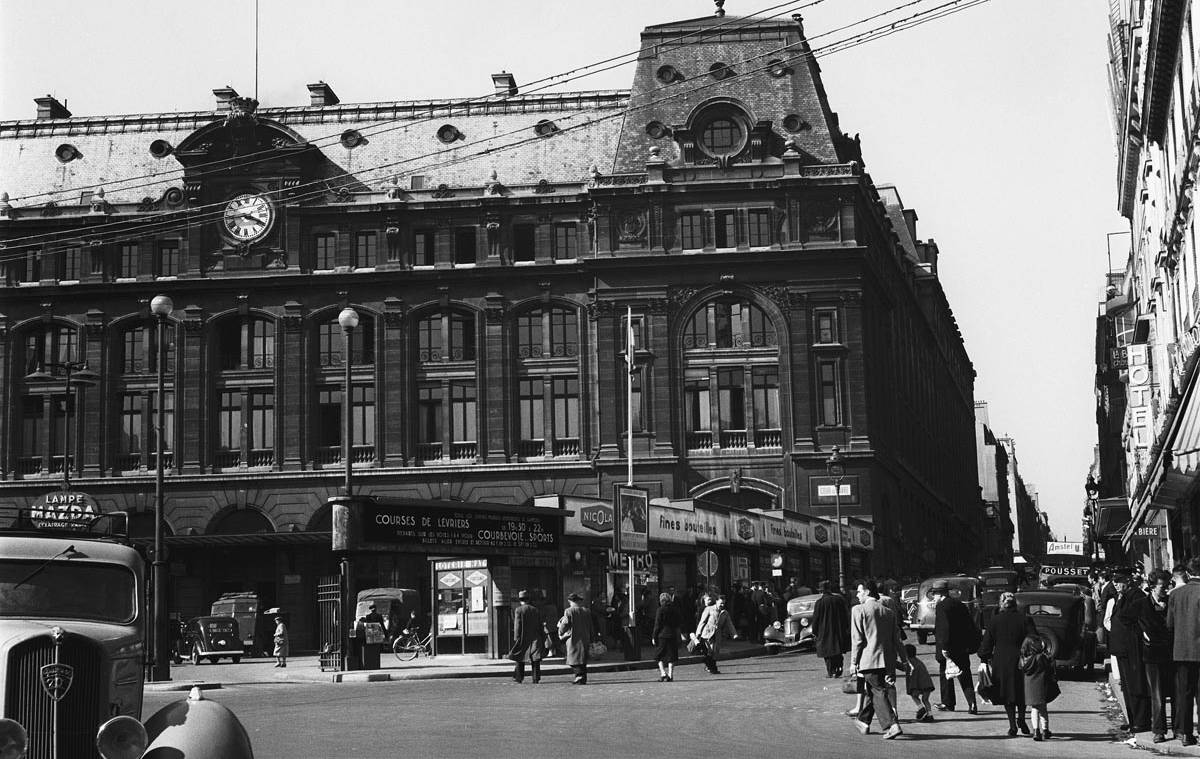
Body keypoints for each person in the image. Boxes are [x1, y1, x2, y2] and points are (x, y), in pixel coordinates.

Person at [849, 580, 908, 740]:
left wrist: (853, 662)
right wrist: (905, 660)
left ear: (867, 592)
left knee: (877, 691)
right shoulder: (888, 612)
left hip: (869, 659)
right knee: (874, 690)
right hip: (886, 660)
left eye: (860, 591)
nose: (857, 594)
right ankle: (863, 721)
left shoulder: (858, 610)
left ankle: (892, 725)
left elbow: (858, 640)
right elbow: (897, 640)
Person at [978, 591, 1037, 736]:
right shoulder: (1025, 619)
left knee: (1007, 692)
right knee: (1021, 691)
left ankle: (1012, 726)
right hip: (1022, 660)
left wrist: (984, 658)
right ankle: (1021, 718)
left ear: (1001, 604)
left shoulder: (995, 621)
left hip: (1002, 661)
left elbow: (986, 644)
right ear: (1015, 603)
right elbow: (1034, 639)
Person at [1132, 569, 1174, 742]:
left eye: (1167, 586)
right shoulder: (1142, 604)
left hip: (1171, 653)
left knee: (1175, 694)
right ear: (1152, 587)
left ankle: (1179, 729)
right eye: (1162, 586)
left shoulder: (1172, 601)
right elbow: (1125, 619)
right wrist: (1142, 634)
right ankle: (1159, 730)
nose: (1165, 590)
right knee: (1157, 694)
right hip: (1152, 655)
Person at [931, 580, 979, 714]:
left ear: (939, 594)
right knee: (965, 675)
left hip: (947, 647)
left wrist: (944, 646)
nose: (934, 598)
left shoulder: (941, 606)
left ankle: (948, 703)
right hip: (961, 647)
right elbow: (969, 625)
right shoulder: (959, 604)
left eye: (934, 594)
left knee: (945, 675)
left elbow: (944, 628)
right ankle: (972, 703)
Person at [1111, 572, 1150, 733]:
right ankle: (1132, 719)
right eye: (1115, 583)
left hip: (1131, 647)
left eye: (1119, 582)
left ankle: (1141, 721)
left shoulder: (1136, 596)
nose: (1117, 586)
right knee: (1127, 687)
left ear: (1127, 582)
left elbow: (1132, 618)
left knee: (1136, 685)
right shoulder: (1123, 596)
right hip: (1122, 648)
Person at [1167, 556, 1200, 746]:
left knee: (1184, 693)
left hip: (1181, 650)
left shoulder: (1175, 594)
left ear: (1188, 573)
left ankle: (1186, 733)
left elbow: (1169, 624)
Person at [1020, 634, 1060, 741]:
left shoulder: (1023, 659)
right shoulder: (1040, 658)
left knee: (1034, 709)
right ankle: (1045, 730)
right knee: (1043, 709)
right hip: (1041, 685)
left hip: (1030, 687)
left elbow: (1021, 668)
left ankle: (1036, 730)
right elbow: (1049, 666)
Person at [812, 580, 852, 678]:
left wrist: (815, 631)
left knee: (828, 654)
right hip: (838, 629)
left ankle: (831, 671)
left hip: (824, 631)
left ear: (821, 591)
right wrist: (846, 627)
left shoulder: (819, 603)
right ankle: (839, 668)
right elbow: (845, 616)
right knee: (837, 651)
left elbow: (815, 619)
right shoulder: (838, 600)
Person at [695, 593, 738, 674]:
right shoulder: (709, 609)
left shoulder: (725, 613)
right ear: (716, 601)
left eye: (723, 603)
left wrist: (734, 634)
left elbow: (729, 623)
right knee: (710, 651)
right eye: (720, 603)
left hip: (717, 634)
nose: (722, 605)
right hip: (708, 633)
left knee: (715, 652)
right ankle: (713, 668)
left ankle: (709, 666)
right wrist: (698, 633)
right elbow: (702, 622)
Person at [558, 592, 595, 685]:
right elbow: (591, 625)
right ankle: (583, 677)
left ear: (570, 601)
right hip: (585, 637)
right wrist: (592, 637)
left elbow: (565, 624)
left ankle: (579, 677)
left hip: (573, 638)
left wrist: (560, 632)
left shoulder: (569, 611)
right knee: (582, 659)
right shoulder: (586, 611)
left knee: (573, 659)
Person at [510, 590, 545, 684]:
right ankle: (536, 677)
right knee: (535, 658)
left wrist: (516, 637)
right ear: (528, 599)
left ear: (520, 600)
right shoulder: (535, 610)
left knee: (520, 657)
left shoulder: (519, 610)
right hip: (535, 636)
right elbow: (540, 624)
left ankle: (519, 677)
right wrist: (542, 636)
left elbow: (517, 624)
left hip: (523, 637)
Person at [652, 591, 683, 682]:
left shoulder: (660, 610)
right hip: (673, 635)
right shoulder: (675, 609)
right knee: (671, 656)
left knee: (659, 655)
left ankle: (663, 673)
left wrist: (654, 636)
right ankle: (670, 674)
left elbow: (657, 625)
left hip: (662, 635)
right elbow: (679, 623)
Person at [903, 643, 934, 722]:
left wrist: (912, 687)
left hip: (920, 684)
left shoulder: (910, 662)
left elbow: (912, 674)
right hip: (928, 683)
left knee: (914, 696)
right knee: (925, 699)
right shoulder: (918, 661)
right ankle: (930, 715)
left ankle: (921, 708)